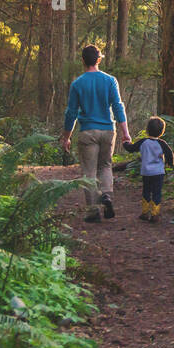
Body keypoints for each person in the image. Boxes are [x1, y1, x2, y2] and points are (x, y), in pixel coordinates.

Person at [62, 45, 131, 222]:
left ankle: (93, 212)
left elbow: (71, 113)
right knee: (106, 166)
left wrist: (66, 137)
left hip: (87, 132)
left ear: (83, 60)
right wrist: (125, 133)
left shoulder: (77, 83)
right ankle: (107, 195)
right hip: (108, 130)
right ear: (99, 60)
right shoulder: (110, 81)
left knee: (89, 172)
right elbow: (117, 106)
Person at [123, 116, 174, 222]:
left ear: (147, 130)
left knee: (146, 191)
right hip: (158, 173)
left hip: (146, 172)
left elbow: (131, 148)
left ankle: (145, 213)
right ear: (162, 131)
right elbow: (170, 154)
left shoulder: (143, 142)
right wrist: (170, 163)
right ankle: (155, 214)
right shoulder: (162, 144)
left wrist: (125, 143)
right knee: (157, 192)